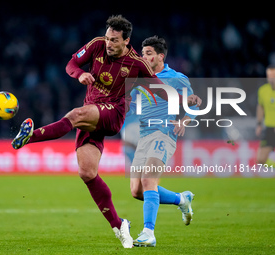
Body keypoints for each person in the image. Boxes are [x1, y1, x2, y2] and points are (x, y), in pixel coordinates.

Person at [11, 15, 201, 248]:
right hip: (94, 115)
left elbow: (160, 90)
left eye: (114, 40)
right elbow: (71, 64)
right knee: (87, 173)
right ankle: (119, 224)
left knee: (75, 115)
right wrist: (79, 74)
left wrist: (184, 100)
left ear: (126, 41)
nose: (109, 43)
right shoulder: (97, 45)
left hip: (112, 113)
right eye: (108, 38)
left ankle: (30, 136)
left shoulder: (136, 64)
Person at [128, 36, 198, 247]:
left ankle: (148, 232)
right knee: (137, 191)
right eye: (143, 53)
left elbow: (194, 104)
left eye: (148, 53)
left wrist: (184, 121)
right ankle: (181, 199)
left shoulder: (176, 78)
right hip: (144, 135)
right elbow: (130, 103)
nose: (144, 57)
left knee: (149, 179)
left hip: (164, 132)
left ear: (160, 56)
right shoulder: (140, 78)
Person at [255, 65, 275, 167]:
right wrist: (259, 124)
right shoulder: (263, 90)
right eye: (269, 76)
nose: (271, 79)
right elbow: (260, 107)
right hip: (269, 128)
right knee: (261, 159)